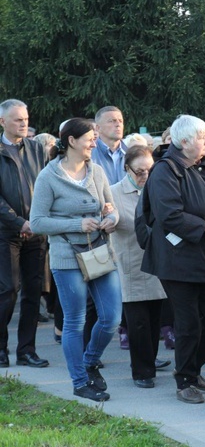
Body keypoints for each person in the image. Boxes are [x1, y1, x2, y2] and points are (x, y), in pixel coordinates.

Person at [140, 114, 205, 404]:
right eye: (202, 137)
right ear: (183, 142)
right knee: (188, 322)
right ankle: (185, 380)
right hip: (178, 260)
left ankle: (193, 368)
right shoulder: (166, 171)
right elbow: (169, 215)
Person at [30, 118, 121, 401]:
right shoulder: (49, 176)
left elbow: (112, 209)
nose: (94, 142)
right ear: (71, 141)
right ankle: (80, 382)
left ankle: (90, 361)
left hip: (99, 253)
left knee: (112, 318)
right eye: (90, 138)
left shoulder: (97, 172)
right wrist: (77, 225)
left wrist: (110, 218)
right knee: (74, 321)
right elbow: (37, 223)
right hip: (67, 257)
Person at [110, 145, 169, 388]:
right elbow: (113, 223)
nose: (145, 176)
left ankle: (150, 361)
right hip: (130, 263)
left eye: (149, 170)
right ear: (127, 169)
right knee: (138, 322)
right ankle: (141, 371)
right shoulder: (113, 193)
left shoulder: (159, 190)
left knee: (155, 319)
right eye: (139, 171)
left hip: (156, 263)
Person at [0, 99, 49, 369]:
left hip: (37, 231)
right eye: (18, 119)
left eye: (26, 119)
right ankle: (0, 348)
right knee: (7, 291)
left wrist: (37, 221)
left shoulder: (36, 148)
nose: (24, 123)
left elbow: (45, 184)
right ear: (3, 122)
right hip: (6, 233)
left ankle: (26, 350)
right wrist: (19, 222)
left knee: (33, 292)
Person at [91, 106, 128, 185]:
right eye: (112, 121)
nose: (118, 124)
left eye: (120, 121)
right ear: (98, 128)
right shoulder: (88, 155)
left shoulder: (131, 154)